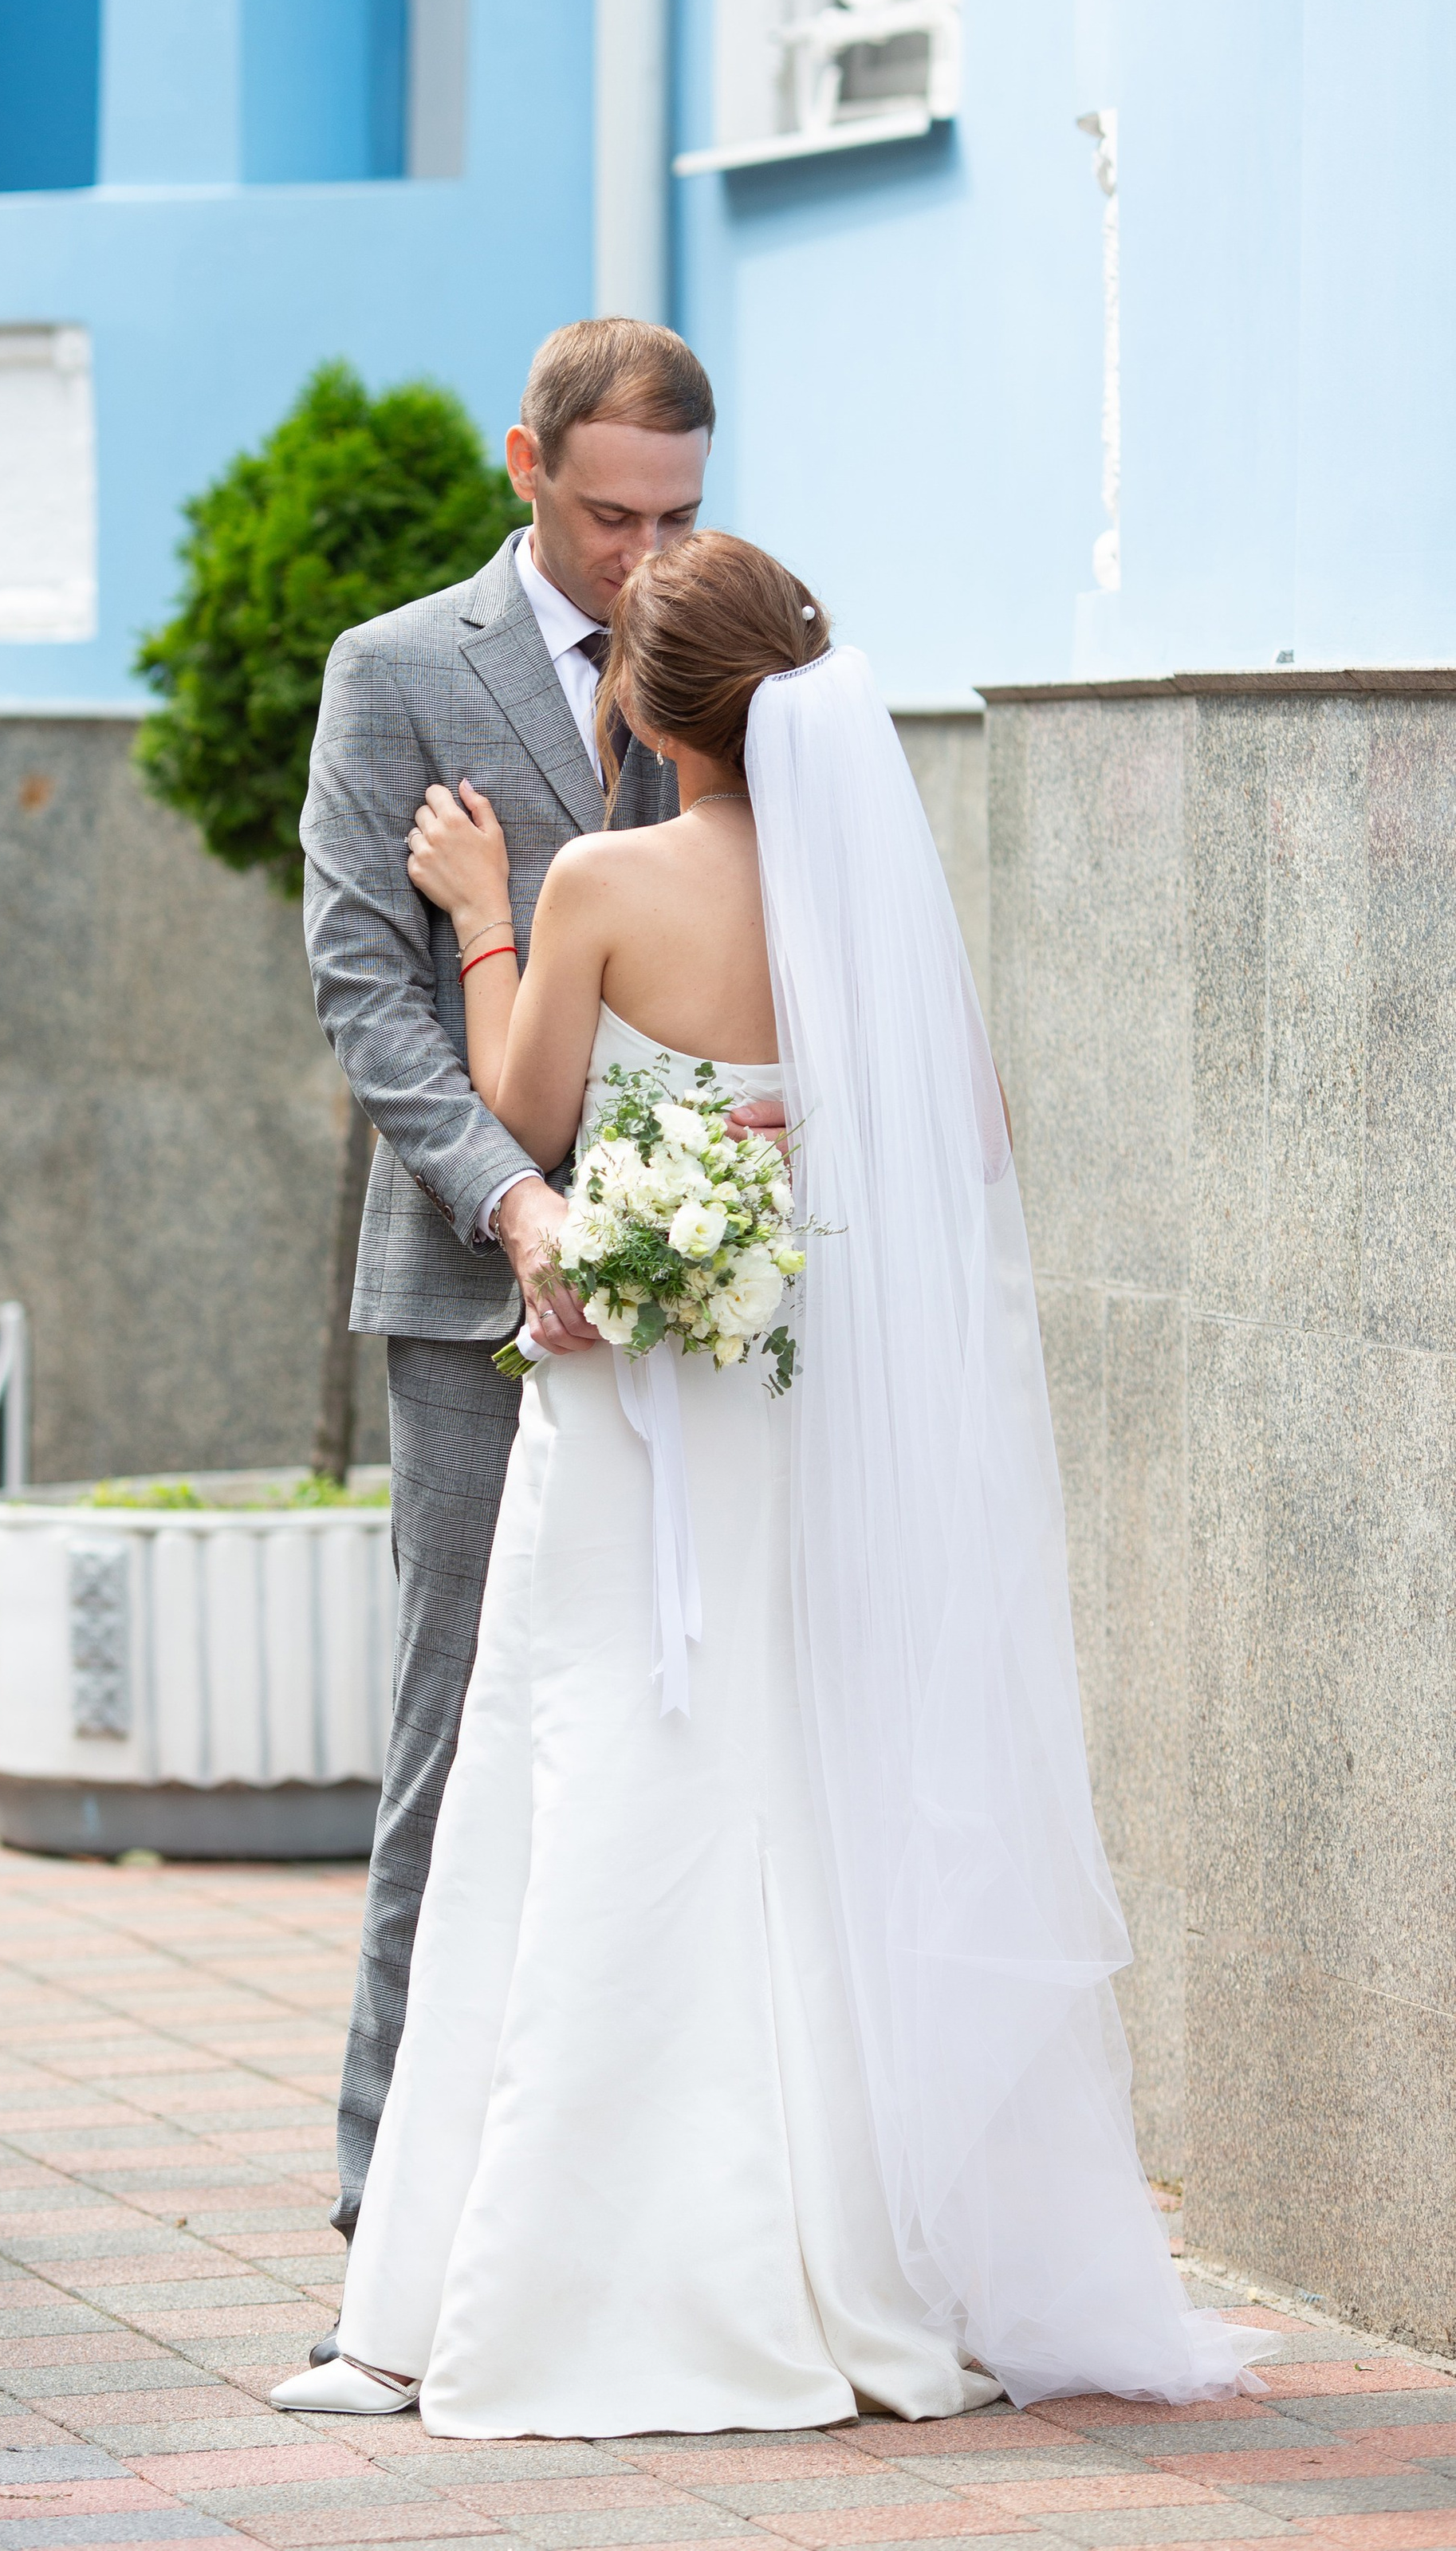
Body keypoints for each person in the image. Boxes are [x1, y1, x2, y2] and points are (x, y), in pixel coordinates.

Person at [275, 532, 1269, 2435]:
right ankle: (842, 2260)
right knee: (790, 1790)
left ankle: (504, 2281)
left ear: (645, 712)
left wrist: (482, 912)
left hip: (633, 1413)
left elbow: (534, 1105)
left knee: (584, 1789)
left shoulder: (600, 879)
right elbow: (964, 1128)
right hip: (788, 1408)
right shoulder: (861, 893)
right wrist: (779, 1138)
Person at [299, 322, 790, 2303]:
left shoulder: (752, 658)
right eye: (609, 515)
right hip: (467, 1298)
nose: (648, 557)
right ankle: (386, 2193)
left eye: (678, 511)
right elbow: (363, 986)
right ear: (526, 466)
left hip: (725, 1309)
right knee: (463, 1730)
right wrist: (517, 1211)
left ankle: (664, 2183)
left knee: (691, 1724)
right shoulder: (396, 672)